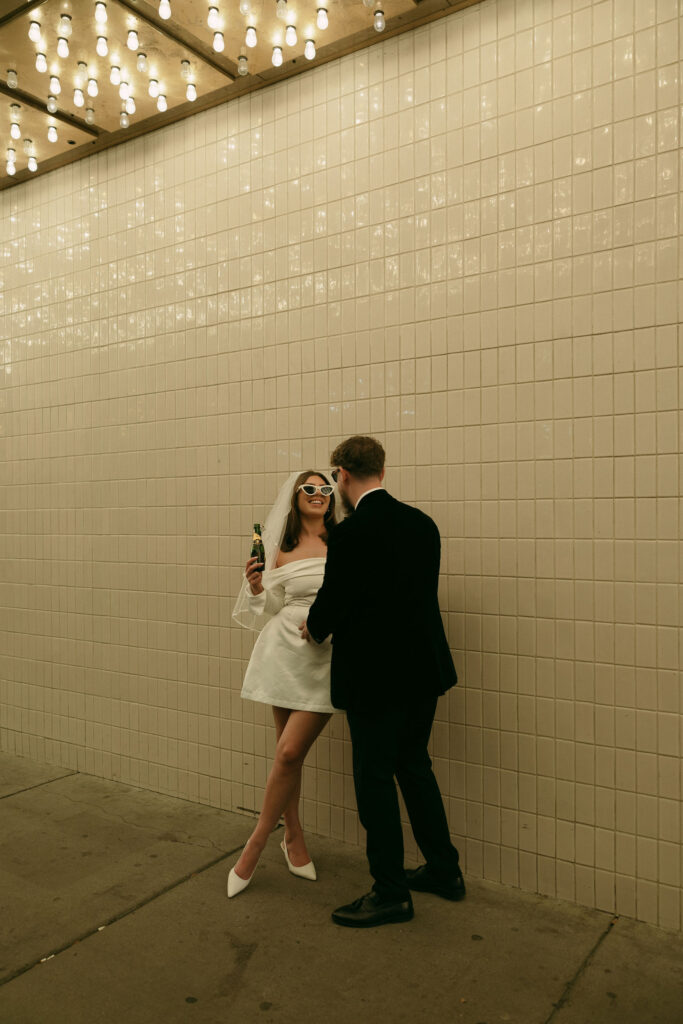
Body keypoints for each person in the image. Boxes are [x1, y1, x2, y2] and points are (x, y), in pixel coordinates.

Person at [300, 435, 464, 927]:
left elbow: (333, 604)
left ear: (342, 476)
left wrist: (313, 625)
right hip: (422, 673)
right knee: (414, 766)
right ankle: (443, 870)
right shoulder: (423, 525)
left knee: (374, 779)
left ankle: (390, 892)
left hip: (375, 681)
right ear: (382, 472)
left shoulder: (350, 535)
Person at [228, 470, 341, 898]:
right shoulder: (280, 548)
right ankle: (292, 836)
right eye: (308, 489)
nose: (317, 495)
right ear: (295, 499)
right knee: (285, 757)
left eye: (325, 489)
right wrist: (257, 587)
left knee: (290, 752)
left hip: (326, 656)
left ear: (333, 497)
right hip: (282, 654)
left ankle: (255, 843)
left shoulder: (342, 542)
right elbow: (271, 605)